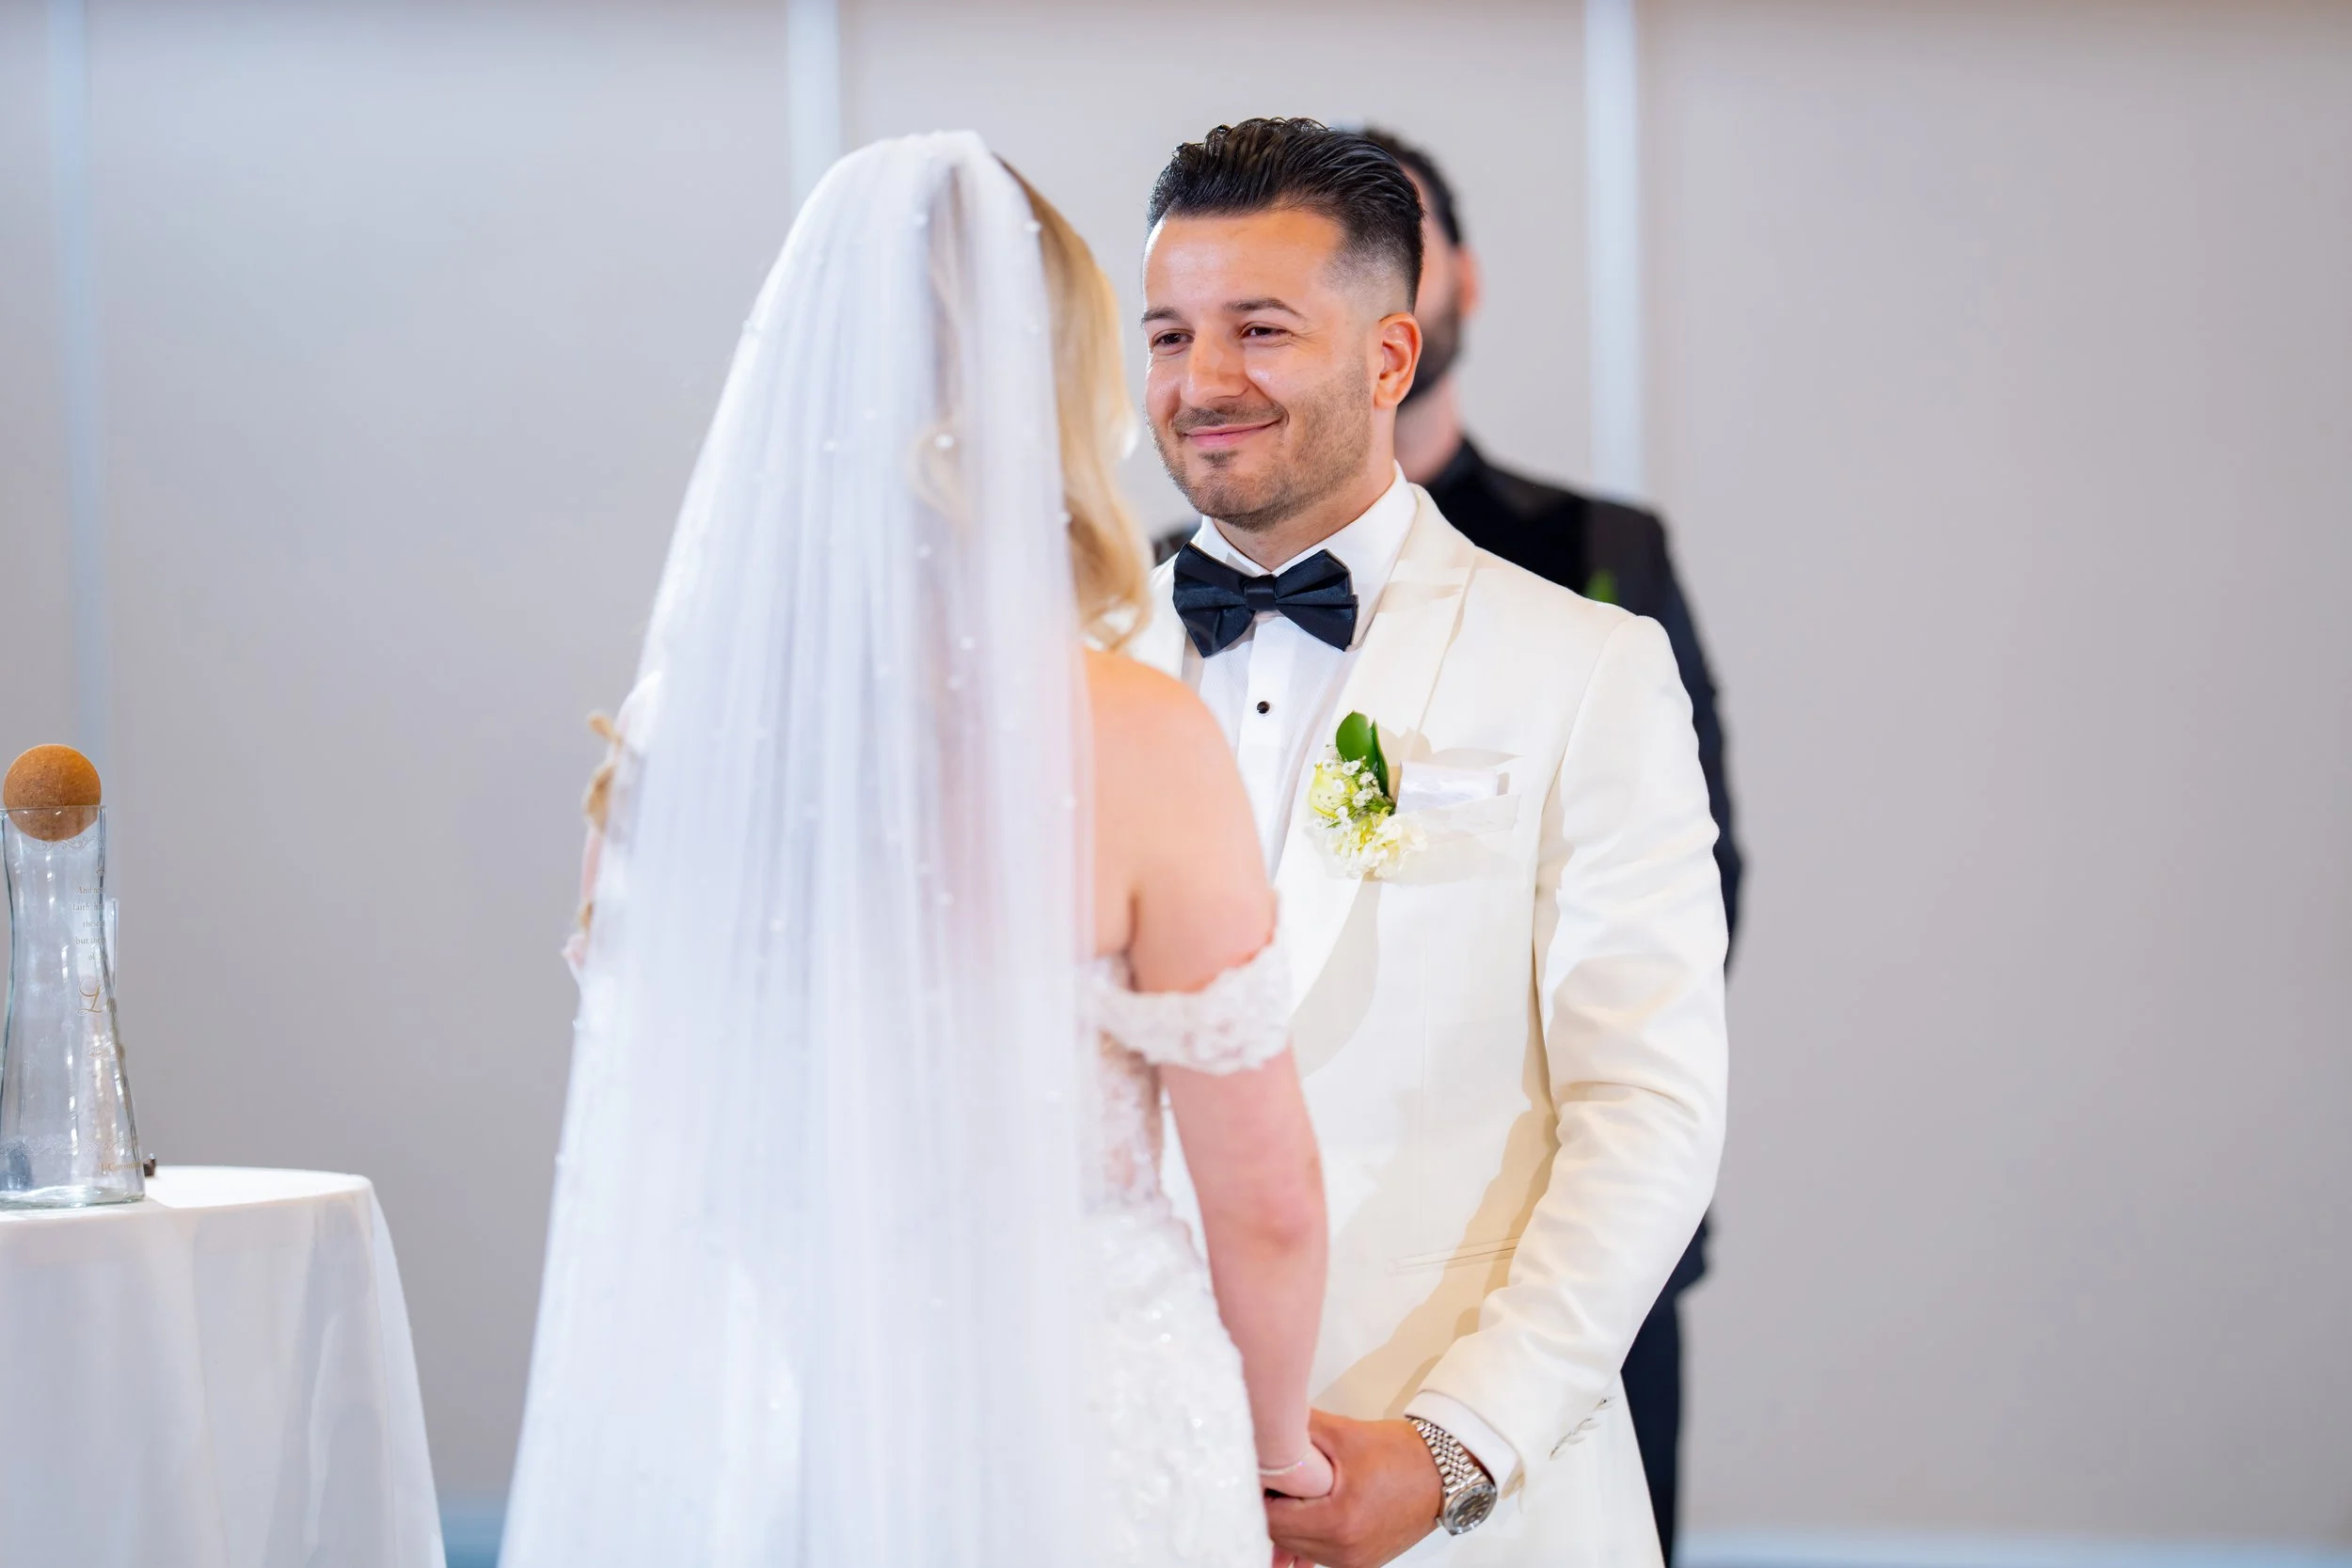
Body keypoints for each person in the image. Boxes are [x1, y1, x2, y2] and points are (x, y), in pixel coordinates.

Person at [502, 133, 1331, 1568]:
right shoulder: (1131, 736)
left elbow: (666, 1141)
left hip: (793, 1424)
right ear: (1047, 392)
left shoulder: (671, 739)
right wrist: (1274, 1469)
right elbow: (1266, 1207)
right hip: (1095, 1443)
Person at [1133, 119, 1726, 1567]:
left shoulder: (1588, 668)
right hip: (1127, 1479)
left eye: (1260, 329)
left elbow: (1646, 1109)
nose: (1202, 383)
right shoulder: (1063, 669)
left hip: (1469, 1501)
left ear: (1391, 356)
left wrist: (1454, 1447)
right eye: (1169, 335)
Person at [1363, 125, 1741, 1562]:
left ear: (1455, 284)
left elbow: (1705, 880)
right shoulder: (1174, 584)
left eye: (1405, 252)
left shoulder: (1601, 554)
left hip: (1585, 1228)